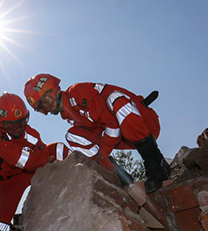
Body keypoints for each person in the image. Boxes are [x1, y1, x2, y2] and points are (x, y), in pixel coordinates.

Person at [23, 74, 171, 193]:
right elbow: (106, 131)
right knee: (73, 136)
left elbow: (112, 123)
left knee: (116, 100)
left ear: (53, 91)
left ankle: (156, 164)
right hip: (123, 136)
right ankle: (121, 178)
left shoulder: (78, 92)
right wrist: (103, 158)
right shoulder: (72, 117)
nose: (47, 109)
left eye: (46, 102)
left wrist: (103, 153)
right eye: (41, 108)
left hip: (143, 122)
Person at [0, 92, 69, 231]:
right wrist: (45, 160)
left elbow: (41, 150)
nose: (18, 127)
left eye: (21, 121)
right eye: (12, 124)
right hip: (8, 182)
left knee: (58, 149)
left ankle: (74, 180)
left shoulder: (30, 132)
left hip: (30, 171)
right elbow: (17, 158)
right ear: (0, 122)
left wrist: (48, 160)